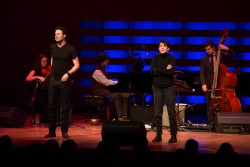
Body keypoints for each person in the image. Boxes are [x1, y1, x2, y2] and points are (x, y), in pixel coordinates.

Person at [44, 26, 80, 139]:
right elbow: (52, 60)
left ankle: (64, 131)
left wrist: (68, 74)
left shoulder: (71, 49)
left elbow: (77, 65)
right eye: (55, 34)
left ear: (64, 35)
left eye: (58, 34)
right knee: (51, 106)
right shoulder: (52, 47)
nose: (56, 36)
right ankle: (51, 130)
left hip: (64, 82)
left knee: (64, 107)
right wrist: (52, 72)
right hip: (53, 80)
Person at [200, 40, 236, 124]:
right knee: (209, 103)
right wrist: (203, 84)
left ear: (213, 48)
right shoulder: (203, 59)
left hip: (221, 84)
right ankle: (210, 122)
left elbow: (233, 55)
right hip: (210, 85)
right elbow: (202, 73)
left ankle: (224, 121)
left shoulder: (221, 55)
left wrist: (227, 49)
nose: (207, 51)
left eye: (208, 49)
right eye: (206, 50)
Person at [150, 40, 177, 143]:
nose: (162, 47)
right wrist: (163, 70)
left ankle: (173, 135)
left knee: (171, 112)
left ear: (168, 48)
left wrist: (158, 70)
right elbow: (151, 72)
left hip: (169, 88)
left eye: (164, 46)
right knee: (158, 113)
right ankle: (158, 135)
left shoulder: (171, 58)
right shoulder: (155, 58)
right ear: (158, 48)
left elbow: (170, 72)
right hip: (157, 88)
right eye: (160, 46)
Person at [92, 52, 128, 121]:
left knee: (122, 95)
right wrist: (118, 83)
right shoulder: (97, 71)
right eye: (106, 60)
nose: (108, 61)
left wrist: (117, 83)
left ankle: (125, 115)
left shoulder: (104, 69)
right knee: (117, 96)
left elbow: (107, 81)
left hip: (104, 89)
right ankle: (120, 117)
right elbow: (106, 82)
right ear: (101, 61)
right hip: (99, 90)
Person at [26, 53, 51, 124]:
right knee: (39, 98)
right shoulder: (35, 70)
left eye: (46, 61)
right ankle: (38, 115)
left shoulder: (48, 70)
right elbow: (27, 78)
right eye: (43, 61)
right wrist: (38, 77)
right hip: (39, 92)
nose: (45, 63)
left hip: (47, 91)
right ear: (39, 61)